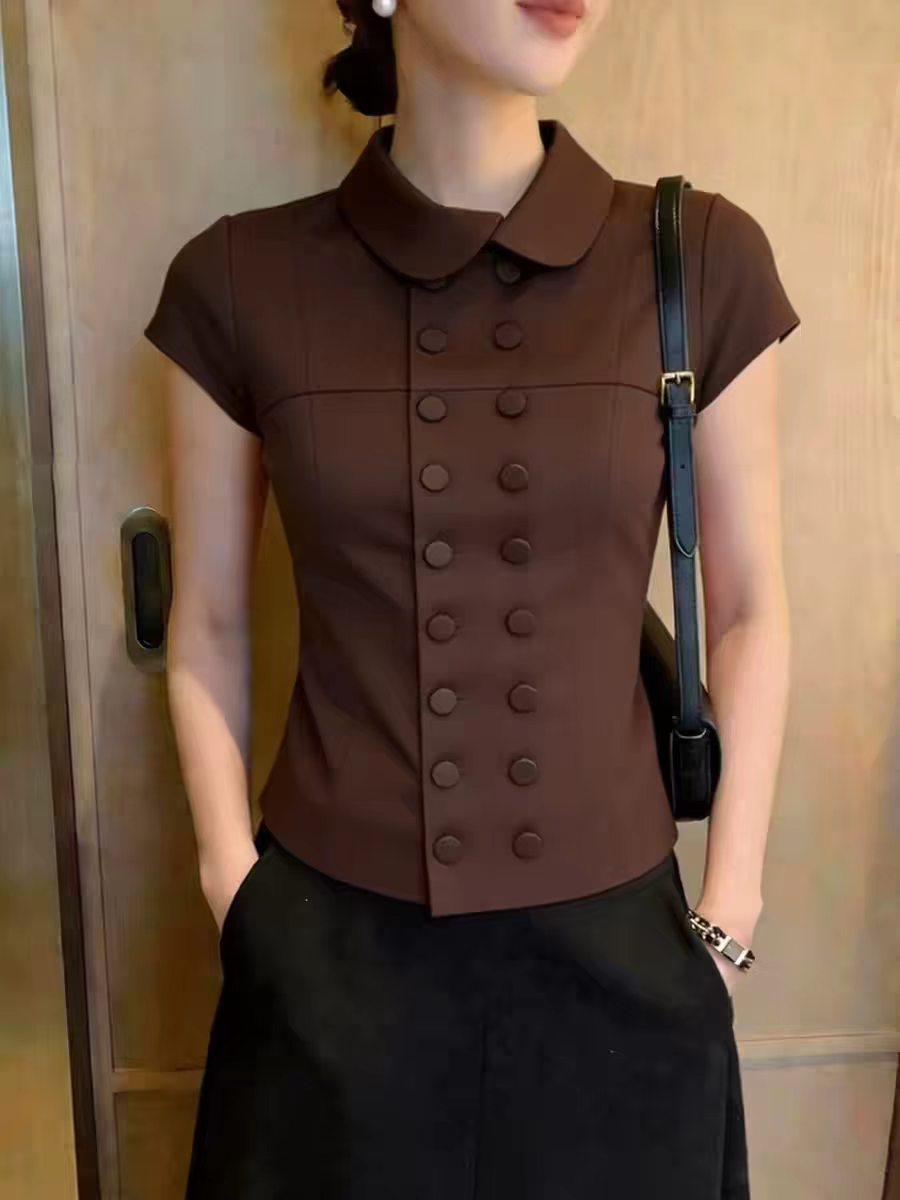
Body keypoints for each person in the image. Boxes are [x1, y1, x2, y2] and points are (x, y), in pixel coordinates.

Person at [143, 1, 800, 1196]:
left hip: (627, 970)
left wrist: (728, 918)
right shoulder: (236, 281)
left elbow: (752, 604)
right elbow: (210, 625)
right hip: (328, 965)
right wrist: (233, 886)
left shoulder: (700, 257)